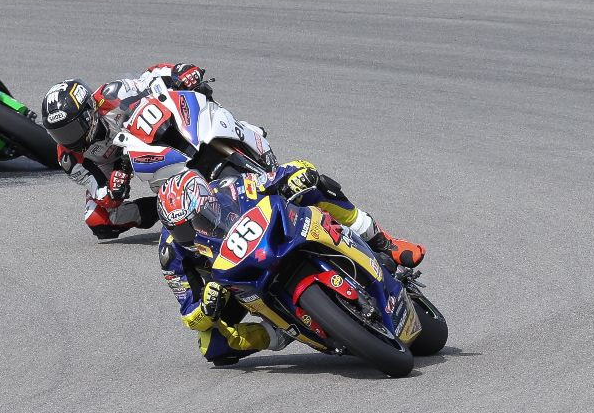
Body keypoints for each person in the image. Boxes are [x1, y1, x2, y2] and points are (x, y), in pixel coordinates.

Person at [157, 164, 424, 365]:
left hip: (268, 238)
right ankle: (277, 332)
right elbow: (190, 315)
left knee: (314, 187)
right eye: (181, 229)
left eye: (195, 220)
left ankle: (382, 241)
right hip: (231, 281)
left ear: (209, 201)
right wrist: (206, 306)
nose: (190, 233)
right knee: (211, 346)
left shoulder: (230, 188)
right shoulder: (172, 253)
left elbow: (280, 172)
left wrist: (298, 174)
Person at [40, 64, 215, 239]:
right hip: (113, 165)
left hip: (142, 133)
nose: (68, 139)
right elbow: (97, 189)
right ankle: (167, 206)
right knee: (99, 220)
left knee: (174, 102)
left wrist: (178, 71)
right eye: (59, 134)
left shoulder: (111, 94)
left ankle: (213, 144)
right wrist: (112, 191)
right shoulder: (68, 158)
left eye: (71, 130)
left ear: (88, 113)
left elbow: (149, 77)